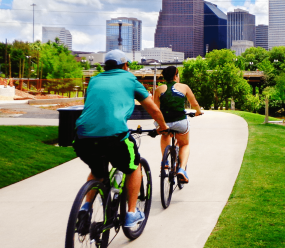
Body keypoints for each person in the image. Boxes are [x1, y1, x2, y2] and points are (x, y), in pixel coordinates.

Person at [73, 49, 168, 229]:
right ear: (125, 66)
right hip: (114, 136)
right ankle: (131, 213)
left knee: (98, 171)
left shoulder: (94, 80)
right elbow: (154, 109)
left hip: (82, 137)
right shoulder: (130, 79)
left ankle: (85, 208)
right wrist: (163, 127)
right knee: (134, 166)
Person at [152, 65, 202, 183]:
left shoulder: (159, 89)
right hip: (180, 121)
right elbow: (194, 102)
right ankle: (182, 169)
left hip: (164, 122)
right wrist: (198, 112)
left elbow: (156, 109)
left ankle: (165, 162)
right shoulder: (184, 87)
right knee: (184, 144)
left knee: (165, 135)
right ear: (175, 75)